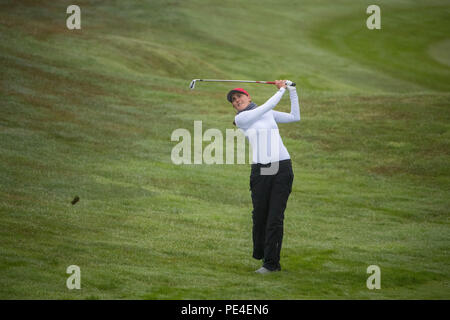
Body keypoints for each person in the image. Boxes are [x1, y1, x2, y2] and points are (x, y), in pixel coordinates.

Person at [227, 80, 300, 274]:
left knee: (275, 217)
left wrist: (292, 91)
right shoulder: (243, 119)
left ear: (249, 97)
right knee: (260, 216)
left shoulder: (266, 112)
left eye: (239, 96)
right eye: (233, 100)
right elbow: (267, 106)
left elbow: (294, 117)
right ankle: (261, 253)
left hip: (281, 167)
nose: (236, 101)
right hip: (261, 170)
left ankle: (271, 264)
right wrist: (282, 89)